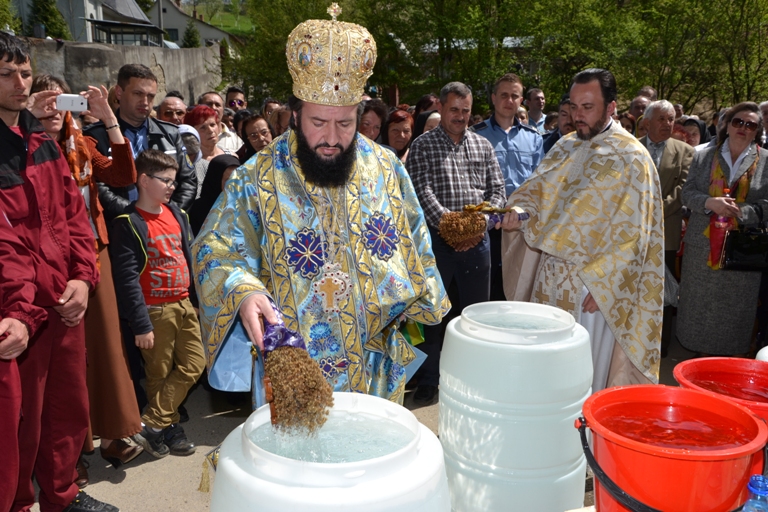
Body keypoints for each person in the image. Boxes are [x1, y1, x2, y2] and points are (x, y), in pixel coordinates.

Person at [192, 12, 448, 405]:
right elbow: (214, 248)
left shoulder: (385, 166)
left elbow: (415, 238)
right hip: (295, 364)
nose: (331, 138)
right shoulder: (256, 177)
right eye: (317, 122)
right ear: (294, 115)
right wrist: (242, 292)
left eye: (345, 123)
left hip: (374, 359)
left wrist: (413, 298)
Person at [0, 32, 118, 512]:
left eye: (24, 72)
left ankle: (62, 498)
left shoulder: (41, 139)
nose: (19, 83)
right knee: (16, 424)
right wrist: (23, 310)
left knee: (67, 411)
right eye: (6, 74)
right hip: (20, 314)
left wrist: (82, 278)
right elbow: (6, 241)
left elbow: (73, 214)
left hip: (62, 302)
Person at [500, 68, 664, 394]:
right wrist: (518, 213)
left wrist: (608, 287)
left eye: (587, 107)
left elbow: (638, 233)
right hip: (550, 279)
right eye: (573, 106)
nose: (577, 115)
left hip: (593, 289)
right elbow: (537, 195)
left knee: (581, 381)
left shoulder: (632, 158)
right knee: (543, 375)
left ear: (611, 107)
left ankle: (583, 442)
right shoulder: (564, 147)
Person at [28, 75, 144, 472]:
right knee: (62, 359)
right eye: (46, 102)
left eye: (62, 101)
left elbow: (124, 177)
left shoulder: (83, 143)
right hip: (43, 262)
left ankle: (112, 433)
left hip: (93, 252)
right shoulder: (19, 149)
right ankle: (67, 452)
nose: (55, 111)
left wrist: (109, 118)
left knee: (107, 348)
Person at [408, 81, 506, 405]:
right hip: (437, 242)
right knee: (434, 316)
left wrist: (476, 227)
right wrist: (453, 228)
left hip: (478, 243)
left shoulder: (483, 146)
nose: (461, 116)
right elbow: (421, 193)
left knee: (475, 316)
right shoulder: (422, 146)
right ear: (440, 107)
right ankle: (428, 380)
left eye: (466, 111)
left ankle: (474, 377)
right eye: (454, 110)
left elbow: (497, 192)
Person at [109, 149, 204, 458]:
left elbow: (187, 257)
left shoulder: (177, 214)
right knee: (158, 374)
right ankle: (169, 428)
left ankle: (150, 423)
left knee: (195, 364)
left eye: (174, 181)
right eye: (166, 181)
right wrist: (141, 324)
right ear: (144, 180)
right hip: (154, 311)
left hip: (183, 304)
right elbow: (126, 280)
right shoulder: (128, 222)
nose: (172, 187)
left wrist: (195, 300)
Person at [678, 102, 768, 356]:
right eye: (738, 122)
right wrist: (710, 203)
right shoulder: (703, 155)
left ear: (756, 131)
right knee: (699, 309)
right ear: (727, 125)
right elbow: (687, 194)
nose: (743, 128)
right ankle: (692, 364)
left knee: (733, 313)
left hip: (742, 250)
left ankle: (726, 366)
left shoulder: (766, 161)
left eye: (750, 125)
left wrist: (741, 211)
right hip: (702, 246)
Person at [85, 64, 196, 221]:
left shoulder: (170, 134)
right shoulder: (95, 136)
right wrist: (137, 216)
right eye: (138, 94)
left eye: (150, 96)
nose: (145, 102)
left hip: (166, 226)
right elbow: (98, 186)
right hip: (119, 228)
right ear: (119, 92)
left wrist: (167, 215)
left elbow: (188, 181)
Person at [472, 73, 544, 302]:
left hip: (521, 224)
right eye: (504, 95)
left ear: (522, 100)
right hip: (488, 224)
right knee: (487, 290)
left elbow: (539, 183)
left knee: (518, 290)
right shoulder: (475, 135)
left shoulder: (534, 138)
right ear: (493, 98)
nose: (509, 100)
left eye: (515, 96)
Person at [639, 100, 694, 357]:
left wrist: (654, 210)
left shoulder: (685, 151)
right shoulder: (631, 147)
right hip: (632, 231)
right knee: (635, 286)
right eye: (661, 119)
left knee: (663, 291)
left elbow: (683, 189)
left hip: (666, 233)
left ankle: (659, 347)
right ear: (647, 122)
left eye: (671, 119)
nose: (667, 124)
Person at [189, 154, 241, 236]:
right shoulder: (199, 210)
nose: (233, 184)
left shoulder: (246, 204)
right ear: (215, 180)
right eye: (228, 180)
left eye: (237, 178)